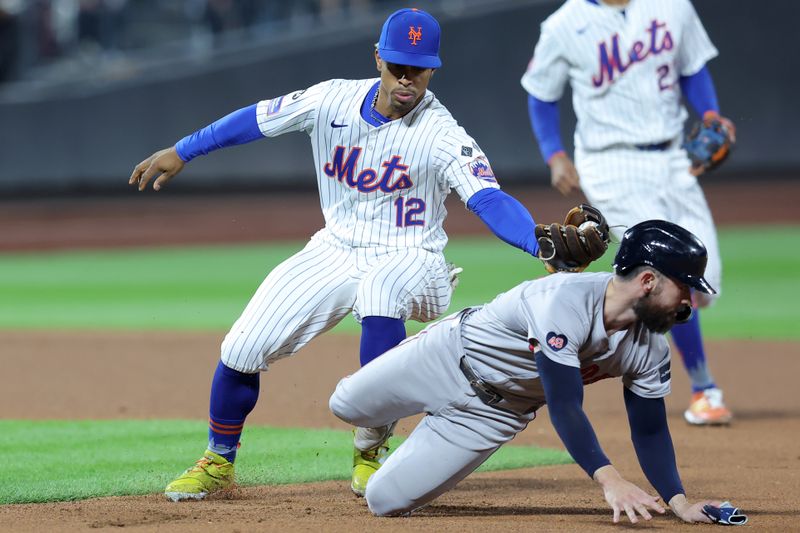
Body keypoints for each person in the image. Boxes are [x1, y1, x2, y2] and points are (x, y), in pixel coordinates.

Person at [129, 8, 552, 502]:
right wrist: (184, 149)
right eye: (397, 65)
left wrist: (537, 240)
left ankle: (370, 450)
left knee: (380, 293)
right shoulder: (330, 99)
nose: (407, 78)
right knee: (240, 348)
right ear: (377, 58)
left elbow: (488, 199)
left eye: (418, 68)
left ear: (433, 69)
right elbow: (257, 119)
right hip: (335, 248)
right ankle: (218, 461)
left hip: (415, 256)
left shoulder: (442, 133)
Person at [330, 220, 735, 523]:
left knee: (384, 502)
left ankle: (409, 432)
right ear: (648, 280)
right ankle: (375, 429)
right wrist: (610, 480)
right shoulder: (562, 301)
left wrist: (679, 502)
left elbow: (649, 429)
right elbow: (565, 406)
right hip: (447, 356)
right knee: (345, 405)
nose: (688, 302)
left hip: (493, 415)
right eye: (683, 287)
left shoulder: (649, 349)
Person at [520, 0, 734, 425]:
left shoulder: (672, 6)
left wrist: (710, 114)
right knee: (667, 271)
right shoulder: (565, 23)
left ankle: (603, 351)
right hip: (609, 162)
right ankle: (704, 388)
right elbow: (541, 95)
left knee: (703, 273)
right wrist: (555, 154)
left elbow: (692, 68)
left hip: (674, 156)